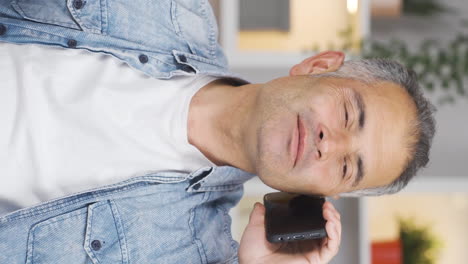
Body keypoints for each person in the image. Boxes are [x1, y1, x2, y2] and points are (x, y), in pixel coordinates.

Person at [0, 0, 435, 263]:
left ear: (325, 195)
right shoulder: (167, 10)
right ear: (318, 67)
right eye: (347, 114)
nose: (329, 144)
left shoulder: (192, 255)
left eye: (346, 167)